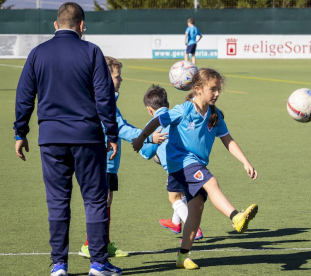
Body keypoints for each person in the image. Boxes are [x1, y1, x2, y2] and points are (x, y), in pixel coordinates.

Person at [13, 3, 122, 276]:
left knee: (58, 201)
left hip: (50, 140)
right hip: (88, 138)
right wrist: (112, 133)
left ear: (55, 24)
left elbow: (24, 96)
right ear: (82, 25)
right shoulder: (91, 51)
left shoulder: (38, 53)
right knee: (95, 200)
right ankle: (98, 264)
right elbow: (104, 96)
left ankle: (59, 265)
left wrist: (20, 132)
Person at [132, 68, 258, 270]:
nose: (217, 93)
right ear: (197, 89)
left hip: (192, 165)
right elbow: (158, 119)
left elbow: (227, 139)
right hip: (181, 163)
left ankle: (183, 256)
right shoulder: (184, 110)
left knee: (196, 210)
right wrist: (141, 139)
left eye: (218, 90)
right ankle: (236, 217)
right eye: (213, 89)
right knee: (211, 182)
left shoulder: (215, 115)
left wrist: (245, 161)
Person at [78, 57, 167, 259]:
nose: (121, 80)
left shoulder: (106, 100)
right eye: (117, 76)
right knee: (101, 202)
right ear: (105, 78)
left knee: (105, 201)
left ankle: (102, 242)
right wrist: (147, 137)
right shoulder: (103, 101)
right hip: (102, 159)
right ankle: (91, 244)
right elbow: (120, 128)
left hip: (107, 159)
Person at [139, 85, 203, 241]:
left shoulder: (153, 126)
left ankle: (194, 230)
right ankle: (175, 222)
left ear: (149, 110)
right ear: (167, 105)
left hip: (176, 167)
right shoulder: (177, 116)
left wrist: (152, 152)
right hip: (192, 162)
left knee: (173, 198)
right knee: (180, 194)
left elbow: (146, 152)